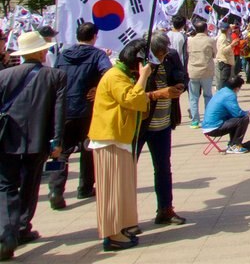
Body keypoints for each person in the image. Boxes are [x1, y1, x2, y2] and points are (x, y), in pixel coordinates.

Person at [89, 38, 181, 252]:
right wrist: (144, 77)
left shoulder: (122, 75)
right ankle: (112, 234)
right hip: (111, 137)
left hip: (121, 136)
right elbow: (134, 99)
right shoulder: (116, 76)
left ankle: (121, 228)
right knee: (112, 190)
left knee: (122, 187)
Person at [0, 31, 66, 260]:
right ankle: (21, 226)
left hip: (7, 138)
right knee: (30, 183)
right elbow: (59, 111)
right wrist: (57, 141)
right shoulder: (55, 76)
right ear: (39, 52)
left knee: (6, 186)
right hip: (38, 139)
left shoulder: (5, 75)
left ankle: (6, 233)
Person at [48, 22, 110, 210]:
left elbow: (54, 77)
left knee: (60, 152)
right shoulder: (98, 54)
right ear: (95, 36)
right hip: (87, 108)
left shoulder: (63, 55)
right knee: (88, 148)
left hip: (64, 107)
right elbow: (108, 74)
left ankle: (55, 189)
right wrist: (97, 88)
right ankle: (85, 186)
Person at [133, 32, 187, 226]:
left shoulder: (172, 57)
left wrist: (180, 84)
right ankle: (128, 216)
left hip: (163, 122)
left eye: (164, 53)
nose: (162, 56)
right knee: (129, 169)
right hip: (140, 124)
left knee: (163, 168)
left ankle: (165, 208)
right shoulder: (136, 61)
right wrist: (156, 94)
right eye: (159, 53)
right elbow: (131, 95)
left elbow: (182, 75)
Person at [202, 76, 250, 153]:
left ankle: (232, 144)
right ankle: (235, 145)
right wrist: (247, 113)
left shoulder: (222, 91)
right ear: (237, 88)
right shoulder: (230, 95)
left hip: (207, 126)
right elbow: (237, 113)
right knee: (244, 119)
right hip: (214, 128)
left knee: (236, 119)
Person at [186, 21, 217, 129]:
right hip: (206, 71)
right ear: (206, 29)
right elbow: (215, 54)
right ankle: (208, 119)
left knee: (193, 97)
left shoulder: (190, 41)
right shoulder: (210, 40)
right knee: (208, 95)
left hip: (193, 71)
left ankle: (195, 121)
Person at [214, 21, 237, 90]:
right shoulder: (222, 38)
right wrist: (232, 45)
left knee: (226, 79)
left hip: (226, 61)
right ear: (227, 29)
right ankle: (222, 93)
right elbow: (223, 50)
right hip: (224, 61)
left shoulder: (224, 36)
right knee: (224, 80)